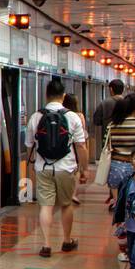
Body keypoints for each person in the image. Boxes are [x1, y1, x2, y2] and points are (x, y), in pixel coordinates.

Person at [26, 77, 89, 257]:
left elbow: (29, 144)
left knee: (46, 205)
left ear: (46, 95)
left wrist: (32, 167)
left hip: (43, 167)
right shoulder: (72, 116)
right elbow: (81, 146)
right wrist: (84, 169)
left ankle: (46, 245)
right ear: (63, 96)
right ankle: (67, 241)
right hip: (66, 168)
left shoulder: (36, 116)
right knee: (66, 204)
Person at [105, 94, 135, 257]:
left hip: (115, 169)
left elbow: (107, 147)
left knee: (120, 209)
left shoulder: (112, 125)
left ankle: (123, 249)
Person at [62, 93, 84, 205]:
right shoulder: (79, 116)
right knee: (77, 169)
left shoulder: (61, 114)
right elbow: (83, 134)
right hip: (77, 145)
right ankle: (73, 193)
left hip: (66, 145)